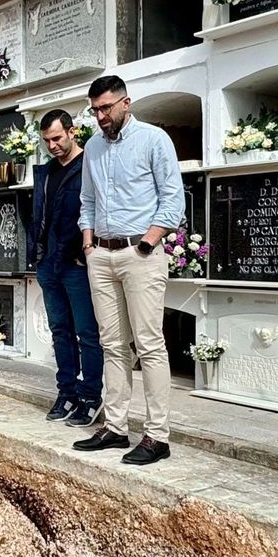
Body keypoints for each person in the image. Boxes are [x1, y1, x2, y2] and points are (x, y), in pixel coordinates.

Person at [72, 75, 184, 466]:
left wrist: (148, 242)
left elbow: (173, 200)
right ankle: (116, 427)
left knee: (149, 345)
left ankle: (157, 436)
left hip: (141, 252)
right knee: (113, 345)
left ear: (125, 103)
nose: (100, 116)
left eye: (106, 108)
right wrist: (89, 244)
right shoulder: (92, 146)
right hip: (101, 255)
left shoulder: (154, 139)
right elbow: (87, 200)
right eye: (95, 110)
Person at [29, 109, 102, 428]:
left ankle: (91, 396)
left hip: (78, 264)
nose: (52, 145)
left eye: (57, 138)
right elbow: (39, 216)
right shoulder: (45, 172)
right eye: (46, 140)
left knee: (88, 333)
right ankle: (67, 393)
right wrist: (37, 255)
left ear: (72, 132)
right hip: (49, 263)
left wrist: (87, 252)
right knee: (60, 331)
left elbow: (98, 209)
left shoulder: (91, 164)